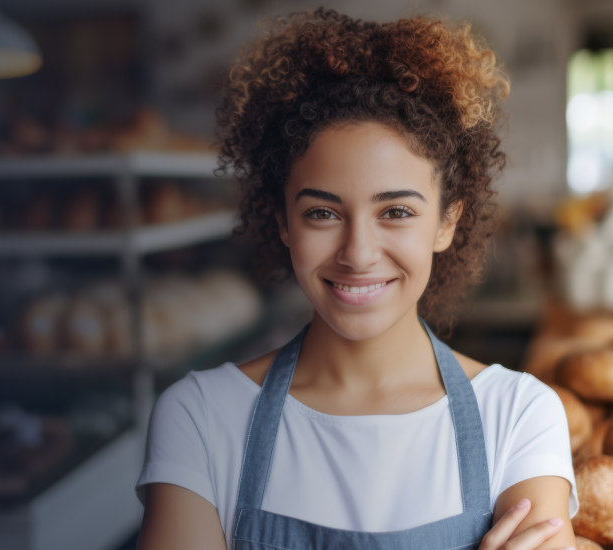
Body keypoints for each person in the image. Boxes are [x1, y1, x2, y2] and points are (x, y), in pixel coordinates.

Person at [135, 11, 577, 550]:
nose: (358, 254)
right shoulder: (201, 418)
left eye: (395, 212)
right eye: (323, 213)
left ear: (447, 221)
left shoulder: (518, 415)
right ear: (283, 223)